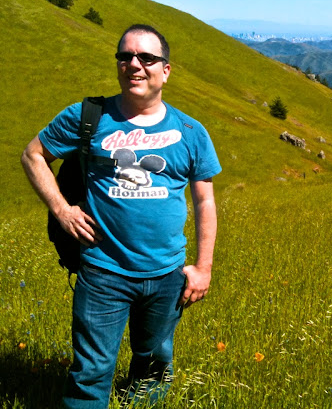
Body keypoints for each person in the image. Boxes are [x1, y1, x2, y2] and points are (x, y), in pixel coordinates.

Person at [21, 24, 221, 408]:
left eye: (147, 57)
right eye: (125, 56)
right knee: (91, 372)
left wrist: (204, 267)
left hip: (167, 275)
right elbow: (33, 155)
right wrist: (62, 210)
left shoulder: (191, 131)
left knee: (155, 364)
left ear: (165, 70)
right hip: (102, 273)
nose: (134, 64)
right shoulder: (87, 117)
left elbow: (205, 202)